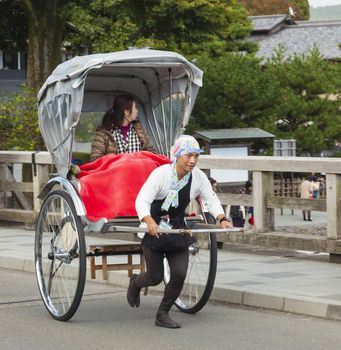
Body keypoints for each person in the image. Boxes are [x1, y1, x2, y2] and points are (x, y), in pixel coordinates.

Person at [128, 135, 233, 329]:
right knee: (155, 276)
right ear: (176, 155)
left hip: (177, 231)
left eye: (196, 156)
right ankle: (135, 283)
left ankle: (163, 313)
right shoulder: (161, 174)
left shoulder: (198, 177)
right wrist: (148, 220)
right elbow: (142, 200)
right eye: (188, 156)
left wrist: (222, 218)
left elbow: (211, 199)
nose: (192, 161)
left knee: (179, 273)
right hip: (155, 231)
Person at [90, 94, 155, 161]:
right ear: (126, 112)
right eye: (135, 108)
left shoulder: (139, 129)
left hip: (139, 170)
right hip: (115, 171)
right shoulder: (103, 132)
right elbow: (95, 160)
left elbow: (152, 153)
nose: (137, 111)